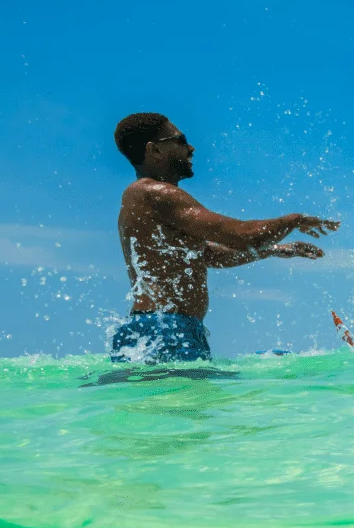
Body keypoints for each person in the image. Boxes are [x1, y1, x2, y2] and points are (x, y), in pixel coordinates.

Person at [112, 112, 340, 362]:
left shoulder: (144, 198)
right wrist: (293, 220)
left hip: (165, 327)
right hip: (166, 329)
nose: (191, 148)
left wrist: (273, 250)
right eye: (180, 141)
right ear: (154, 150)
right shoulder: (156, 193)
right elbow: (242, 236)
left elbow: (208, 255)